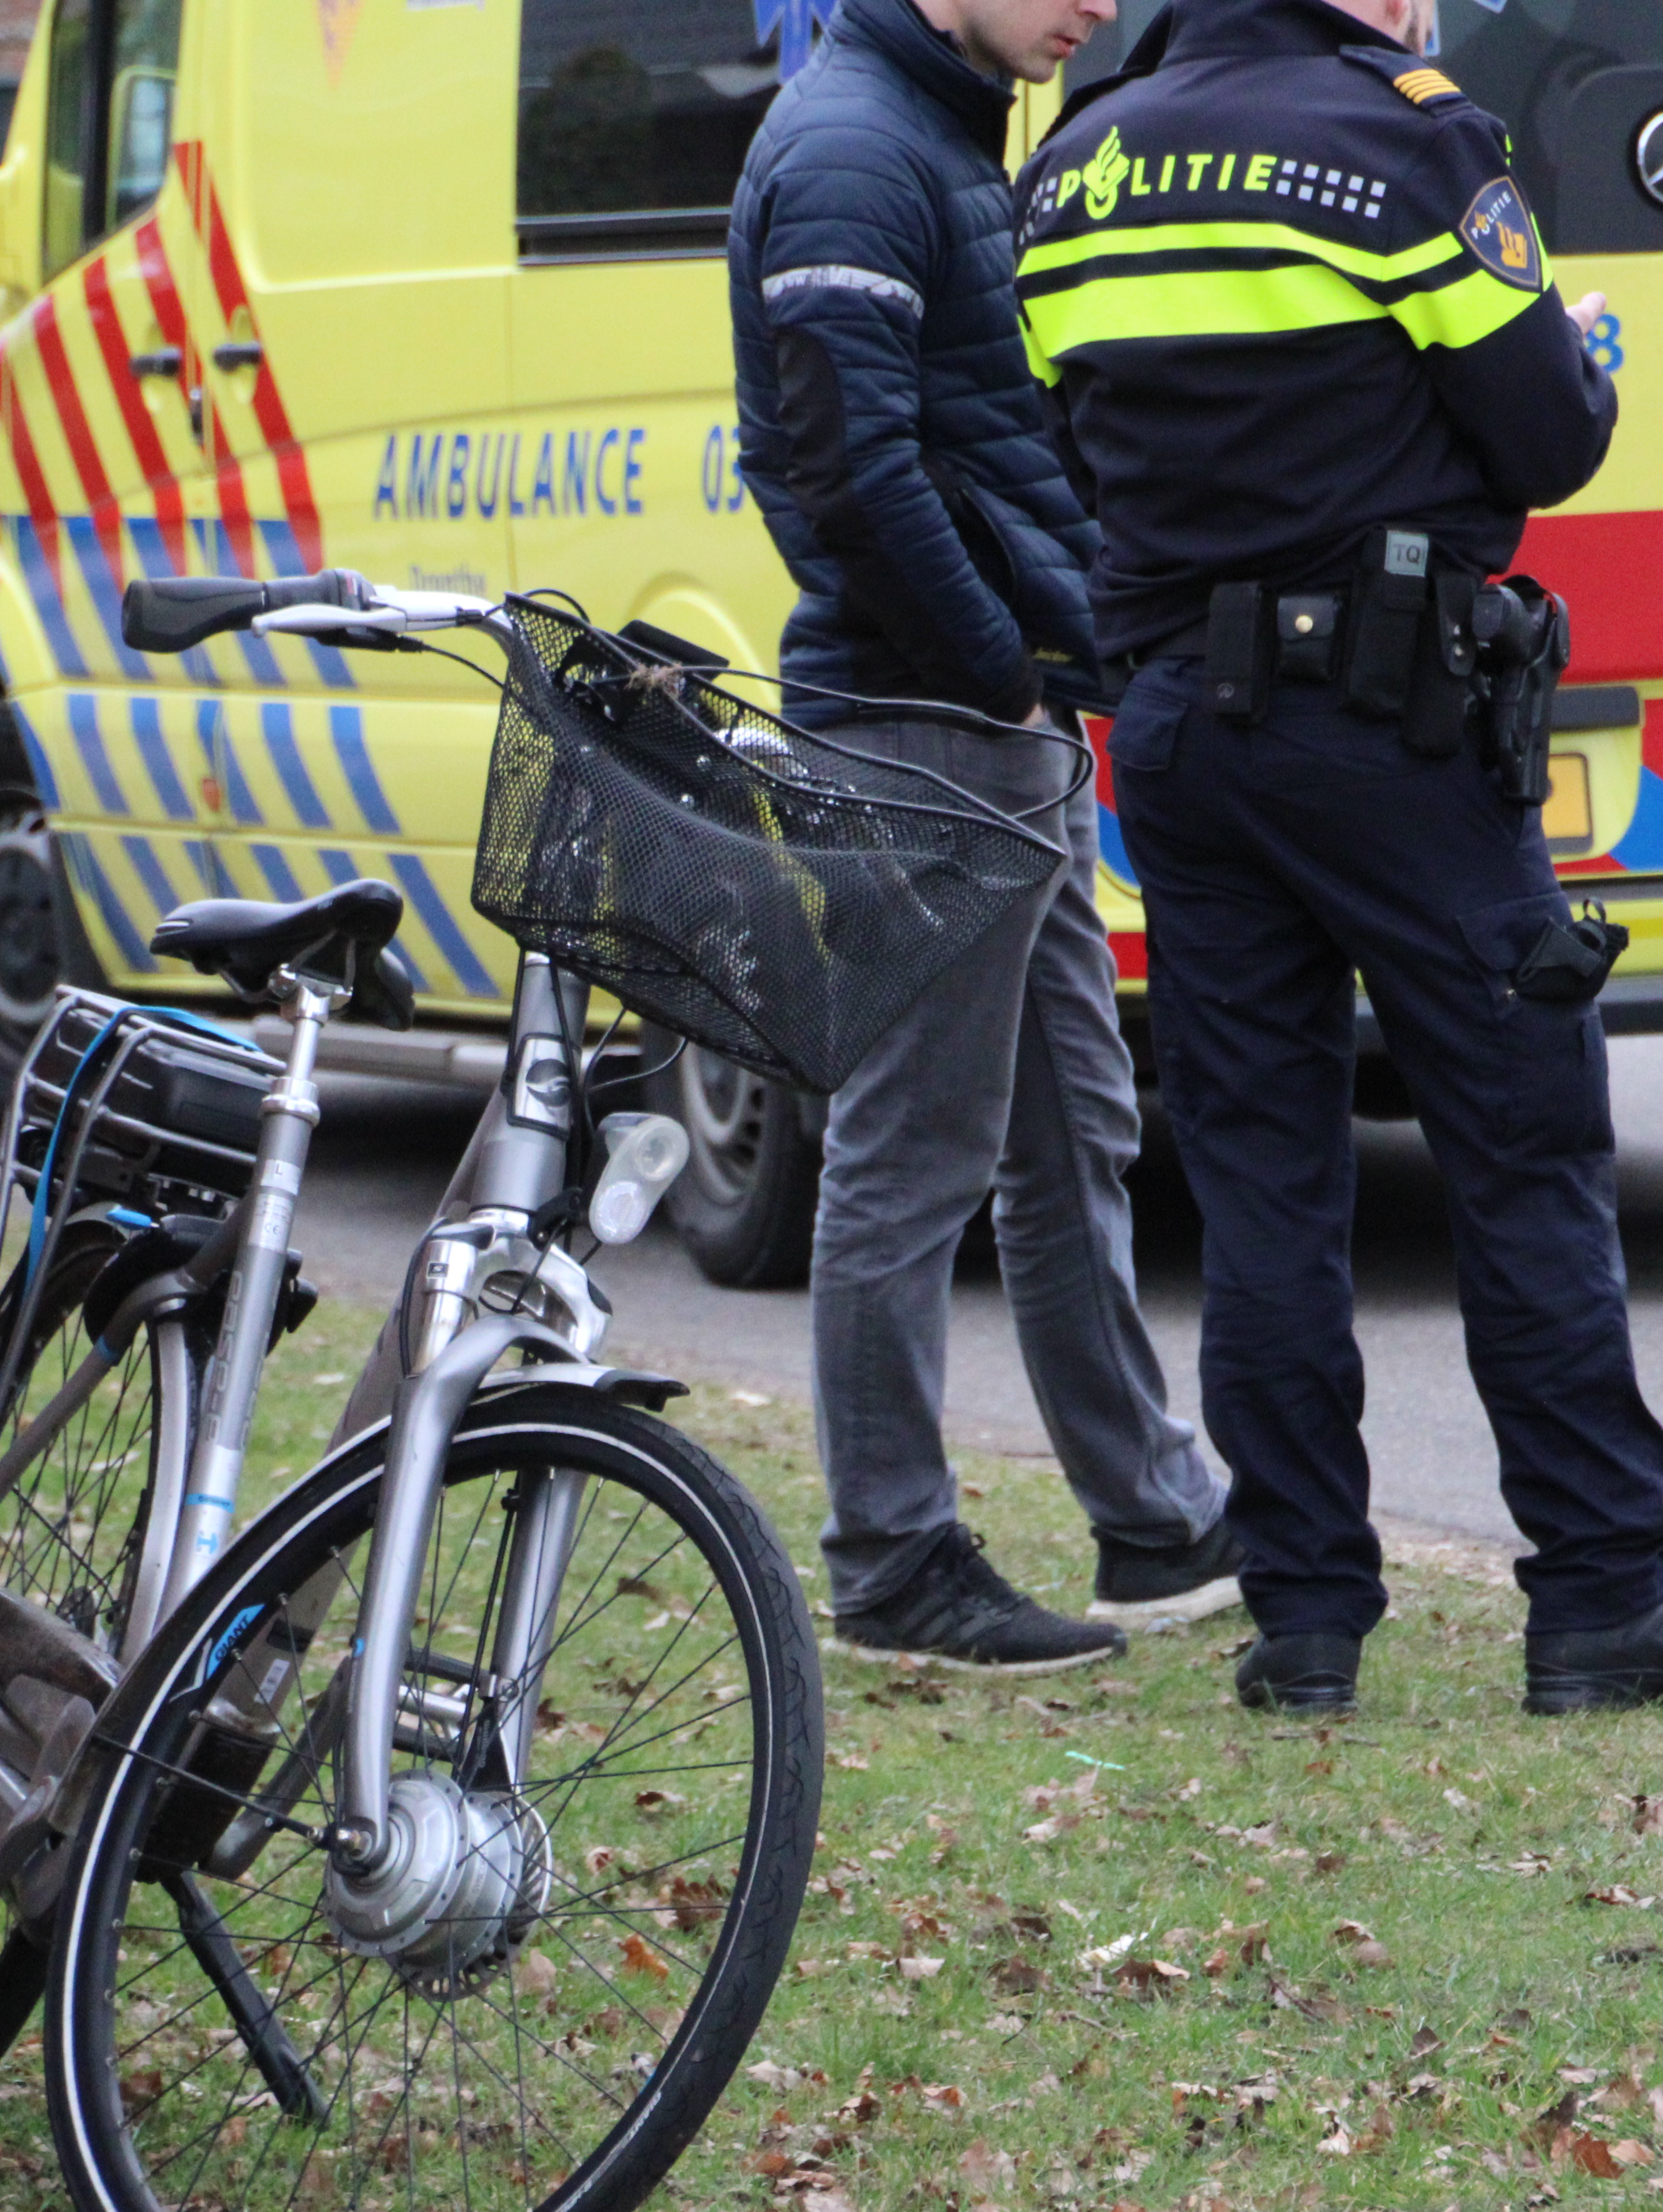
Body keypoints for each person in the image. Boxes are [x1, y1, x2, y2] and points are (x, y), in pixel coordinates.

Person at [1013, 0, 1663, 1717]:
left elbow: (1072, 444)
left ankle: (1301, 1624)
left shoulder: (1079, 166)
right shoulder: (1407, 138)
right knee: (1523, 1145)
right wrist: (1579, 349)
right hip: (1395, 729)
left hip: (1183, 735)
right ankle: (1602, 1592)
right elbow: (1549, 436)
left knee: (1264, 1182)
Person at [728, 0, 1241, 1673]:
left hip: (980, 723)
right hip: (928, 724)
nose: (1097, 8)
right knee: (912, 1152)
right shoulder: (855, 148)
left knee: (1072, 1123)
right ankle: (890, 1560)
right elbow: (851, 469)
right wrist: (1004, 681)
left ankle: (1152, 1520)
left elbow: (958, 438)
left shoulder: (935, 124)